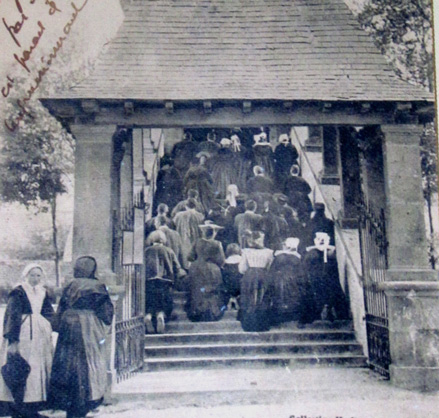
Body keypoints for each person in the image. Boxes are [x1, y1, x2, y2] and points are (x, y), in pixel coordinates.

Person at [49, 256, 114, 418]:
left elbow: (61, 307)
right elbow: (106, 312)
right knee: (89, 362)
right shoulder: (98, 285)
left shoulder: (70, 285)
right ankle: (87, 401)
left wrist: (60, 324)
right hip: (88, 326)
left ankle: (70, 402)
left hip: (68, 325)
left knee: (68, 363)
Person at [0, 263, 54, 418]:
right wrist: (13, 341)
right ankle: (19, 407)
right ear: (26, 275)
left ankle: (32, 406)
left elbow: (48, 312)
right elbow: (12, 316)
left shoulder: (43, 292)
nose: (35, 279)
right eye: (32, 275)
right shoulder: (18, 292)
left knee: (37, 369)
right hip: (23, 334)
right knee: (22, 367)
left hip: (39, 336)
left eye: (38, 275)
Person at [303, 232, 349, 323]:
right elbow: (307, 267)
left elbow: (334, 266)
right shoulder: (312, 253)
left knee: (333, 294)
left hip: (329, 278)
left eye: (323, 240)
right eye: (319, 240)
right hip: (316, 278)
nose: (321, 242)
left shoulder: (331, 252)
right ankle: (317, 314)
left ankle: (332, 312)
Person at [144, 231, 185, 333]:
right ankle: (161, 315)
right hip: (165, 281)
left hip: (149, 281)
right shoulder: (169, 251)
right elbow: (177, 268)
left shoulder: (146, 251)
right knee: (163, 303)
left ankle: (148, 316)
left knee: (150, 303)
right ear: (163, 239)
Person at [186, 222, 226, 322]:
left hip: (196, 268)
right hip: (213, 269)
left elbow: (189, 257)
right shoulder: (217, 244)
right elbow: (222, 260)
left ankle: (197, 311)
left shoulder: (197, 242)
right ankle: (212, 312)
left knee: (197, 290)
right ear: (213, 233)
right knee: (211, 291)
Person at [238, 231, 274, 332]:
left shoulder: (246, 252)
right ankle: (262, 324)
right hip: (263, 275)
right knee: (261, 299)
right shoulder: (269, 252)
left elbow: (242, 268)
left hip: (250, 275)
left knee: (250, 299)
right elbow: (270, 266)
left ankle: (249, 324)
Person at [269, 238, 306, 325]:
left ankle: (280, 317)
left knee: (280, 296)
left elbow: (272, 269)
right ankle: (290, 316)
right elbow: (300, 271)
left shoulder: (278, 256)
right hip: (292, 279)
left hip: (279, 278)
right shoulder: (296, 257)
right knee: (291, 296)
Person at [173, 197, 205, 265]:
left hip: (182, 240)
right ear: (195, 206)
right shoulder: (200, 216)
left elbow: (174, 224)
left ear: (185, 206)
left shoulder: (178, 215)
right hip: (195, 241)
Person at [222, 243, 243, 311]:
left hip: (228, 285)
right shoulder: (242, 260)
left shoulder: (225, 262)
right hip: (240, 285)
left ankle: (231, 299)